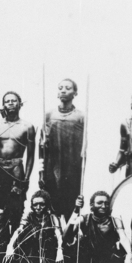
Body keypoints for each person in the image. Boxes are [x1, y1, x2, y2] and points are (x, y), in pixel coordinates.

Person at [39, 79, 84, 224]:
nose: (63, 90)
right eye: (61, 88)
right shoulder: (49, 115)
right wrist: (41, 173)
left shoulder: (80, 116)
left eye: (68, 88)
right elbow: (41, 146)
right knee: (52, 201)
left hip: (72, 167)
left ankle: (69, 236)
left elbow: (85, 143)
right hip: (53, 166)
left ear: (75, 93)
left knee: (71, 201)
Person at [63, 191, 132, 263]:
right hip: (87, 262)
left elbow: (123, 237)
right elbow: (66, 235)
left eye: (106, 203)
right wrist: (76, 210)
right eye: (99, 203)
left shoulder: (115, 221)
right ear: (92, 205)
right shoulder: (85, 219)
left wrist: (130, 254)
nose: (103, 206)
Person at [0, 91, 36, 231]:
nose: (10, 103)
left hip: (16, 170)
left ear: (20, 104)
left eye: (14, 100)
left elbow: (30, 155)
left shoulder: (27, 126)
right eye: (7, 101)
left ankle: (16, 245)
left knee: (16, 209)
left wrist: (27, 178)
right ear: (3, 105)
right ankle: (0, 246)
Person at [5, 190, 64, 263]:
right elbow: (19, 230)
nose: (38, 207)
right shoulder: (29, 216)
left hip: (48, 251)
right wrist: (10, 246)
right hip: (32, 252)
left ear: (47, 204)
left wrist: (59, 251)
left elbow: (58, 235)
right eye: (35, 204)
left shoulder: (52, 217)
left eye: (42, 204)